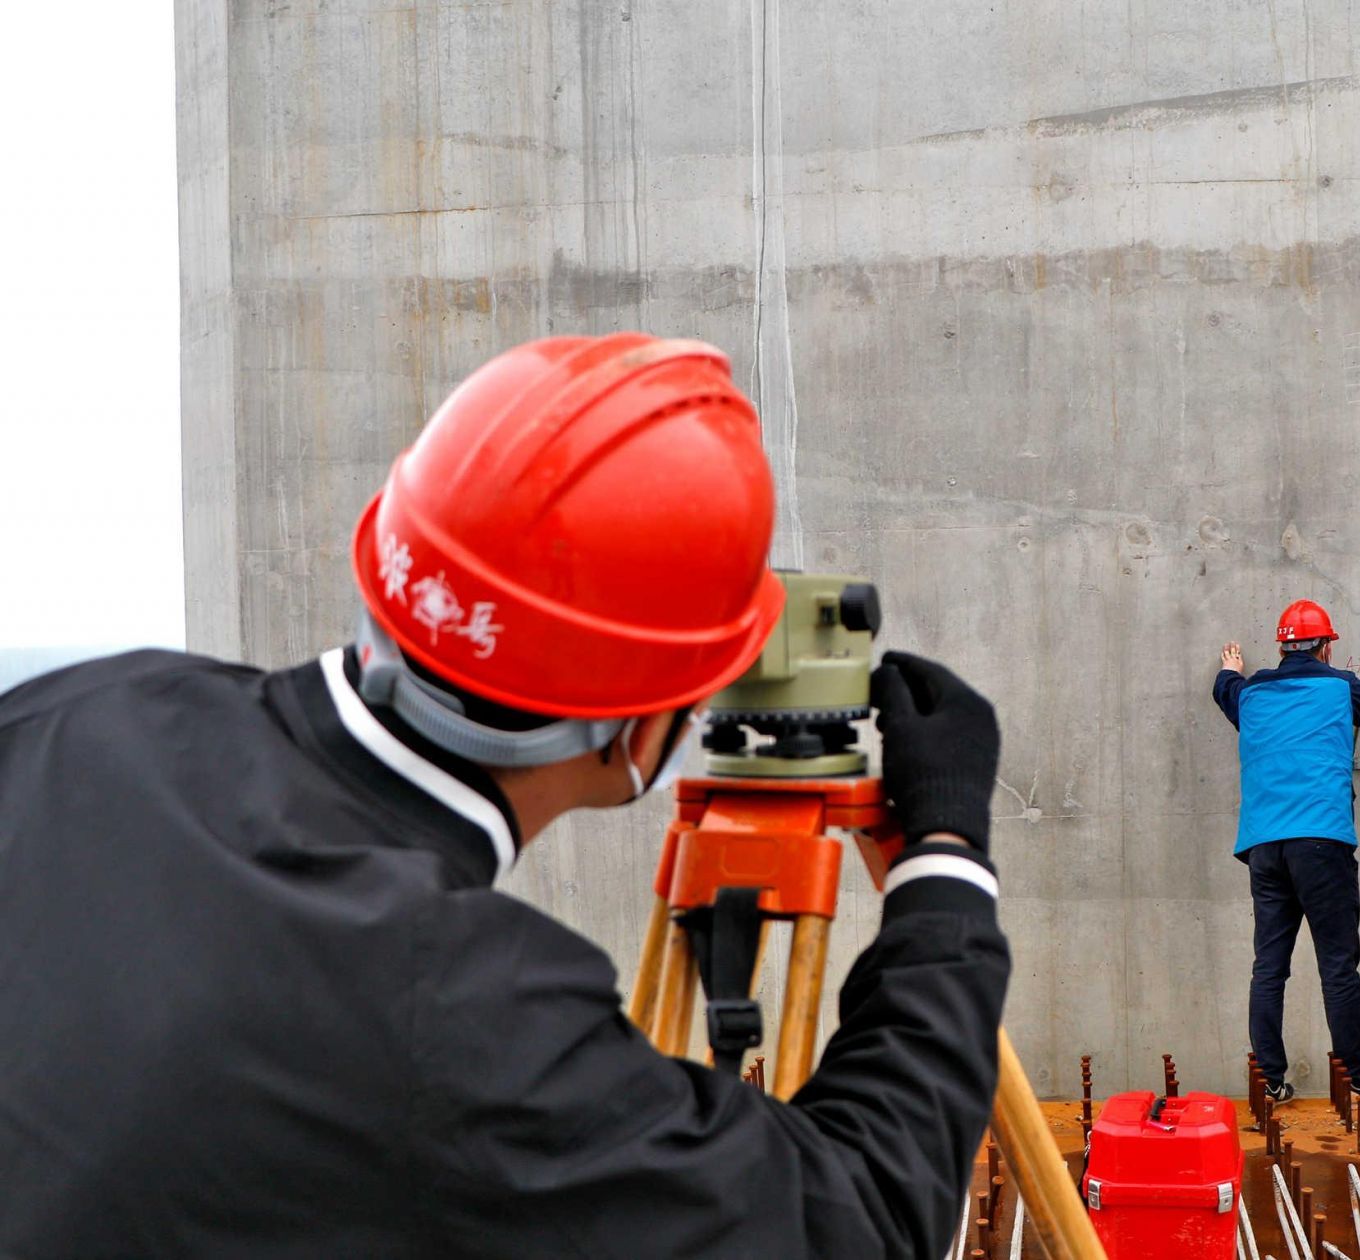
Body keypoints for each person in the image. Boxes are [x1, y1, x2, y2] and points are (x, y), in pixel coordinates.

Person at [0, 334, 1009, 1258]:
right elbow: (857, 1220)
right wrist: (946, 864)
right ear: (644, 723)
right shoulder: (466, 1009)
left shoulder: (83, 713)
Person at [1213, 598, 1360, 1109]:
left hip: (1263, 846)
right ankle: (1359, 1080)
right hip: (1321, 843)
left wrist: (1230, 669)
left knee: (1269, 967)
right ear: (1325, 649)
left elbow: (1224, 690)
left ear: (1281, 648)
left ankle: (1271, 1082)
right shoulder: (1340, 688)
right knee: (1338, 966)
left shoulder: (1250, 694)